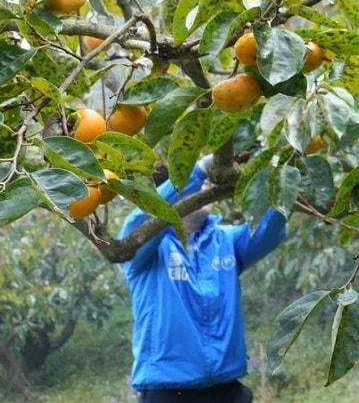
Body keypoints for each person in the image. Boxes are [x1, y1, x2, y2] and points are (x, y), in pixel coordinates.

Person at [118, 155, 289, 403]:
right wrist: (197, 170)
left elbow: (271, 229)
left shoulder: (226, 240)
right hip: (169, 392)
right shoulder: (147, 250)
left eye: (204, 183)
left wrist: (277, 170)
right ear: (171, 195)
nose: (204, 186)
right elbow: (140, 220)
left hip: (227, 389)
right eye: (192, 185)